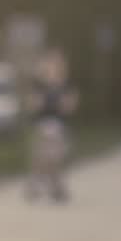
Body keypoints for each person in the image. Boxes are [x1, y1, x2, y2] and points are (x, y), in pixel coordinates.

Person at [24, 49, 79, 204]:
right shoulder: (38, 84)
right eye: (52, 64)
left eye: (58, 64)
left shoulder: (67, 84)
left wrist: (62, 102)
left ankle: (54, 186)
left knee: (56, 157)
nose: (55, 67)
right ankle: (43, 185)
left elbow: (70, 106)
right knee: (42, 157)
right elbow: (32, 105)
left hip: (60, 126)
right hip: (42, 125)